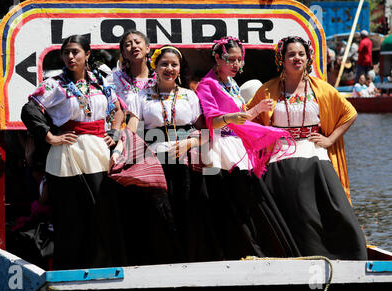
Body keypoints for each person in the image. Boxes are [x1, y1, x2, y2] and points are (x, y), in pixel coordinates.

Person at [246, 36, 367, 260]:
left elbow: (350, 113)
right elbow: (247, 119)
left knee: (335, 207)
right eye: (291, 54)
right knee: (288, 206)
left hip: (313, 150)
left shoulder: (321, 89)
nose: (297, 58)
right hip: (280, 154)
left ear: (308, 57)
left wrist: (330, 140)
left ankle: (345, 253)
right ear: (282, 59)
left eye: (301, 54)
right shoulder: (268, 89)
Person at [21, 34, 126, 270]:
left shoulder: (102, 81)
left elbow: (118, 108)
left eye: (75, 51)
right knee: (70, 216)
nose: (70, 56)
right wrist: (49, 136)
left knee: (100, 212)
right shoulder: (54, 84)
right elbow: (29, 110)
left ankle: (101, 268)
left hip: (98, 152)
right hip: (68, 153)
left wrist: (116, 132)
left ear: (87, 54)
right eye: (66, 52)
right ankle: (69, 272)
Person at [113, 45, 223, 263]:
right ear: (155, 66)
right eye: (164, 64)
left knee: (188, 211)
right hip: (155, 163)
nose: (169, 68)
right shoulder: (141, 96)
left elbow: (205, 132)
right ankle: (163, 261)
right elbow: (131, 129)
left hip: (187, 159)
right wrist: (118, 150)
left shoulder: (189, 96)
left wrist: (189, 143)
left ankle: (190, 261)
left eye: (174, 64)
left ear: (180, 68)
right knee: (160, 212)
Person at [195, 36, 300, 259]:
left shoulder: (231, 83)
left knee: (248, 197)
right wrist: (232, 116)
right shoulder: (207, 85)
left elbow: (239, 118)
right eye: (230, 59)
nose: (236, 65)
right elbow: (210, 122)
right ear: (217, 57)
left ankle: (259, 247)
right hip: (219, 147)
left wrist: (256, 110)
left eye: (239, 60)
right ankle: (238, 249)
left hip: (236, 143)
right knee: (231, 199)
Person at [106, 30, 156, 109]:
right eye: (128, 45)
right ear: (124, 54)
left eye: (138, 42)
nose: (134, 46)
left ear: (147, 48)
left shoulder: (159, 78)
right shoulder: (113, 80)